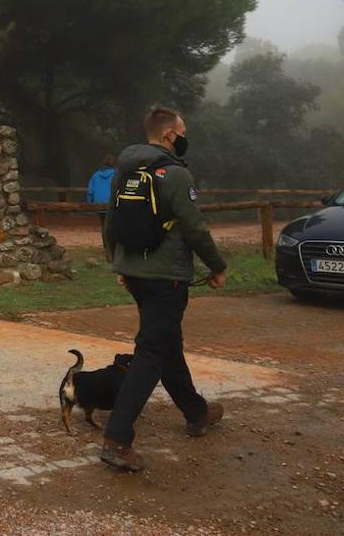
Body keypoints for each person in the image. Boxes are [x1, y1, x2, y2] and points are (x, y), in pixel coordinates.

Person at [99, 104, 228, 473]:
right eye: (183, 130)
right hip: (166, 276)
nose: (186, 137)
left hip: (136, 274)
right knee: (152, 351)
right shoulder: (174, 174)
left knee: (166, 341)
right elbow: (195, 228)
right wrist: (217, 267)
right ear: (170, 134)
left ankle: (196, 412)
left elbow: (111, 222)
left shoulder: (123, 171)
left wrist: (119, 265)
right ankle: (117, 438)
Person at [86, 154, 116, 233]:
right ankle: (111, 243)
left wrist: (90, 204)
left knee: (103, 224)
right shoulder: (116, 175)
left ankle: (105, 243)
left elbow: (90, 191)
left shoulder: (95, 175)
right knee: (112, 225)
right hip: (112, 204)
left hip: (99, 204)